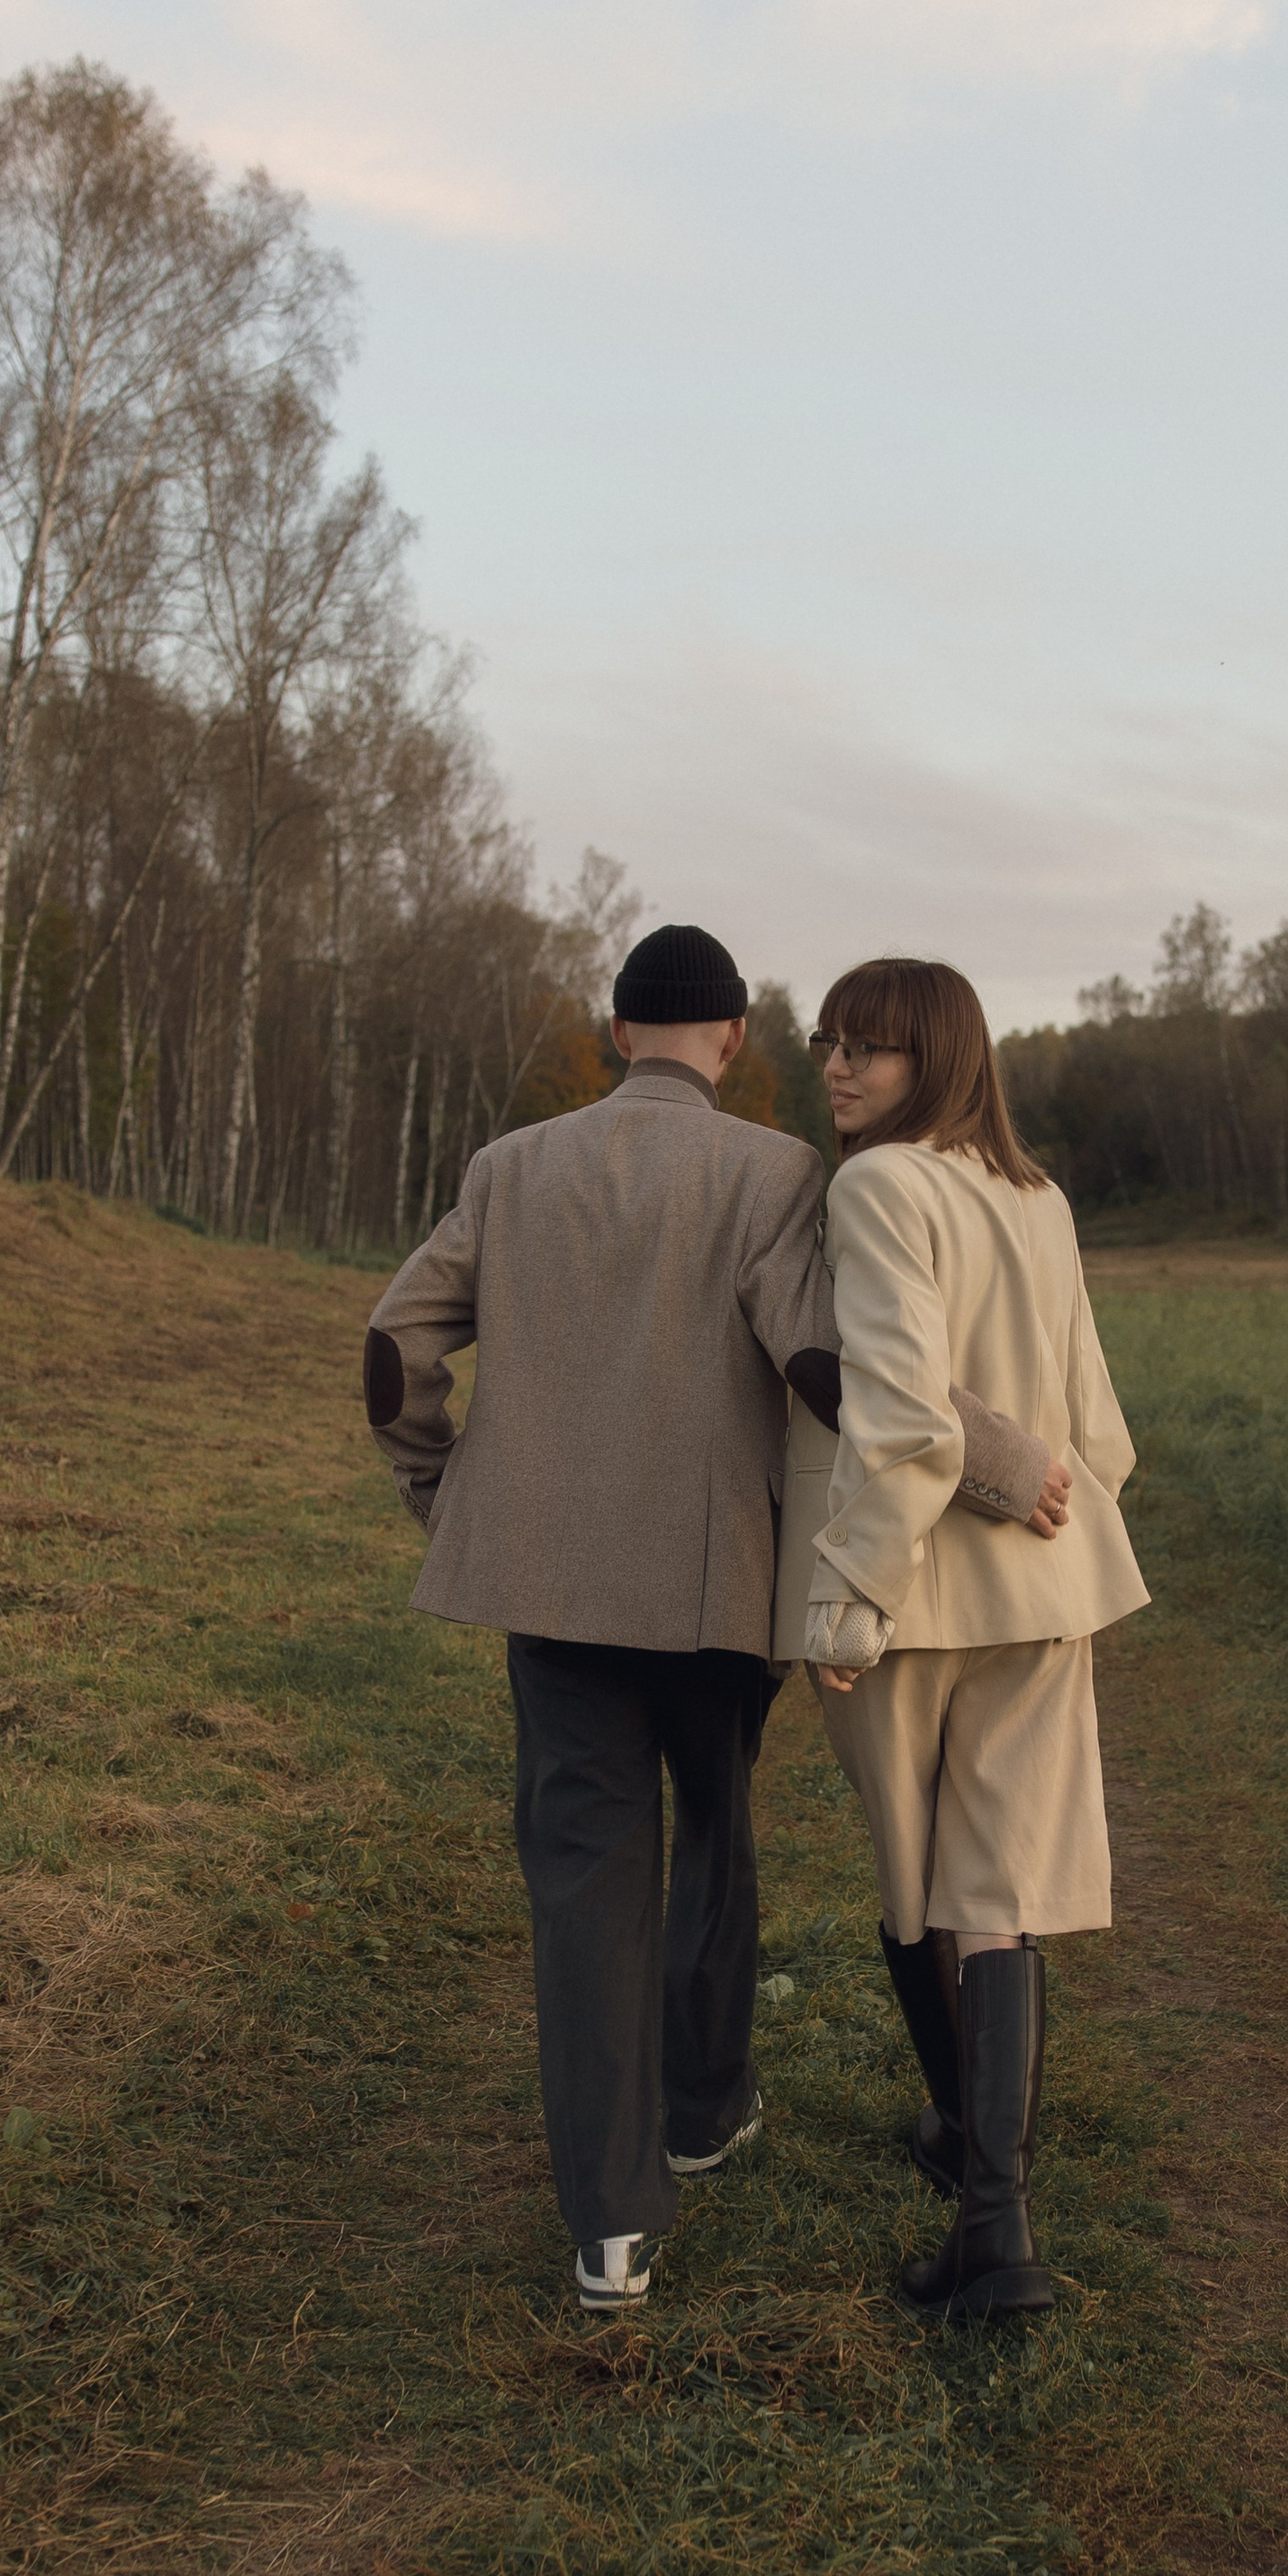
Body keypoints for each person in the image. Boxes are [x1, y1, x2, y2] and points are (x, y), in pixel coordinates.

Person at [364, 922, 1067, 2316]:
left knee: (584, 1877)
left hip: (548, 1586)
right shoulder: (774, 1170)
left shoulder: (510, 1168)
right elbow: (830, 1365)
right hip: (715, 1587)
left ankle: (612, 2231)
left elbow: (396, 1349)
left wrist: (444, 1497)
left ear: (618, 1030)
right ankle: (705, 2105)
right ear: (735, 1041)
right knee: (714, 1830)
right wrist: (1005, 1464)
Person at [772, 957, 1148, 2323]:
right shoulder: (1036, 1195)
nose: (838, 1067)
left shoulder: (878, 1186)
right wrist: (1076, 1506)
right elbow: (1093, 1422)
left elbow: (901, 1409)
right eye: (832, 1041)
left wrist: (851, 1597)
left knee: (913, 1882)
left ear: (935, 1059)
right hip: (1040, 1592)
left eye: (870, 1048)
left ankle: (975, 2182)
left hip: (917, 1597)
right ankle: (995, 2224)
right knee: (997, 1892)